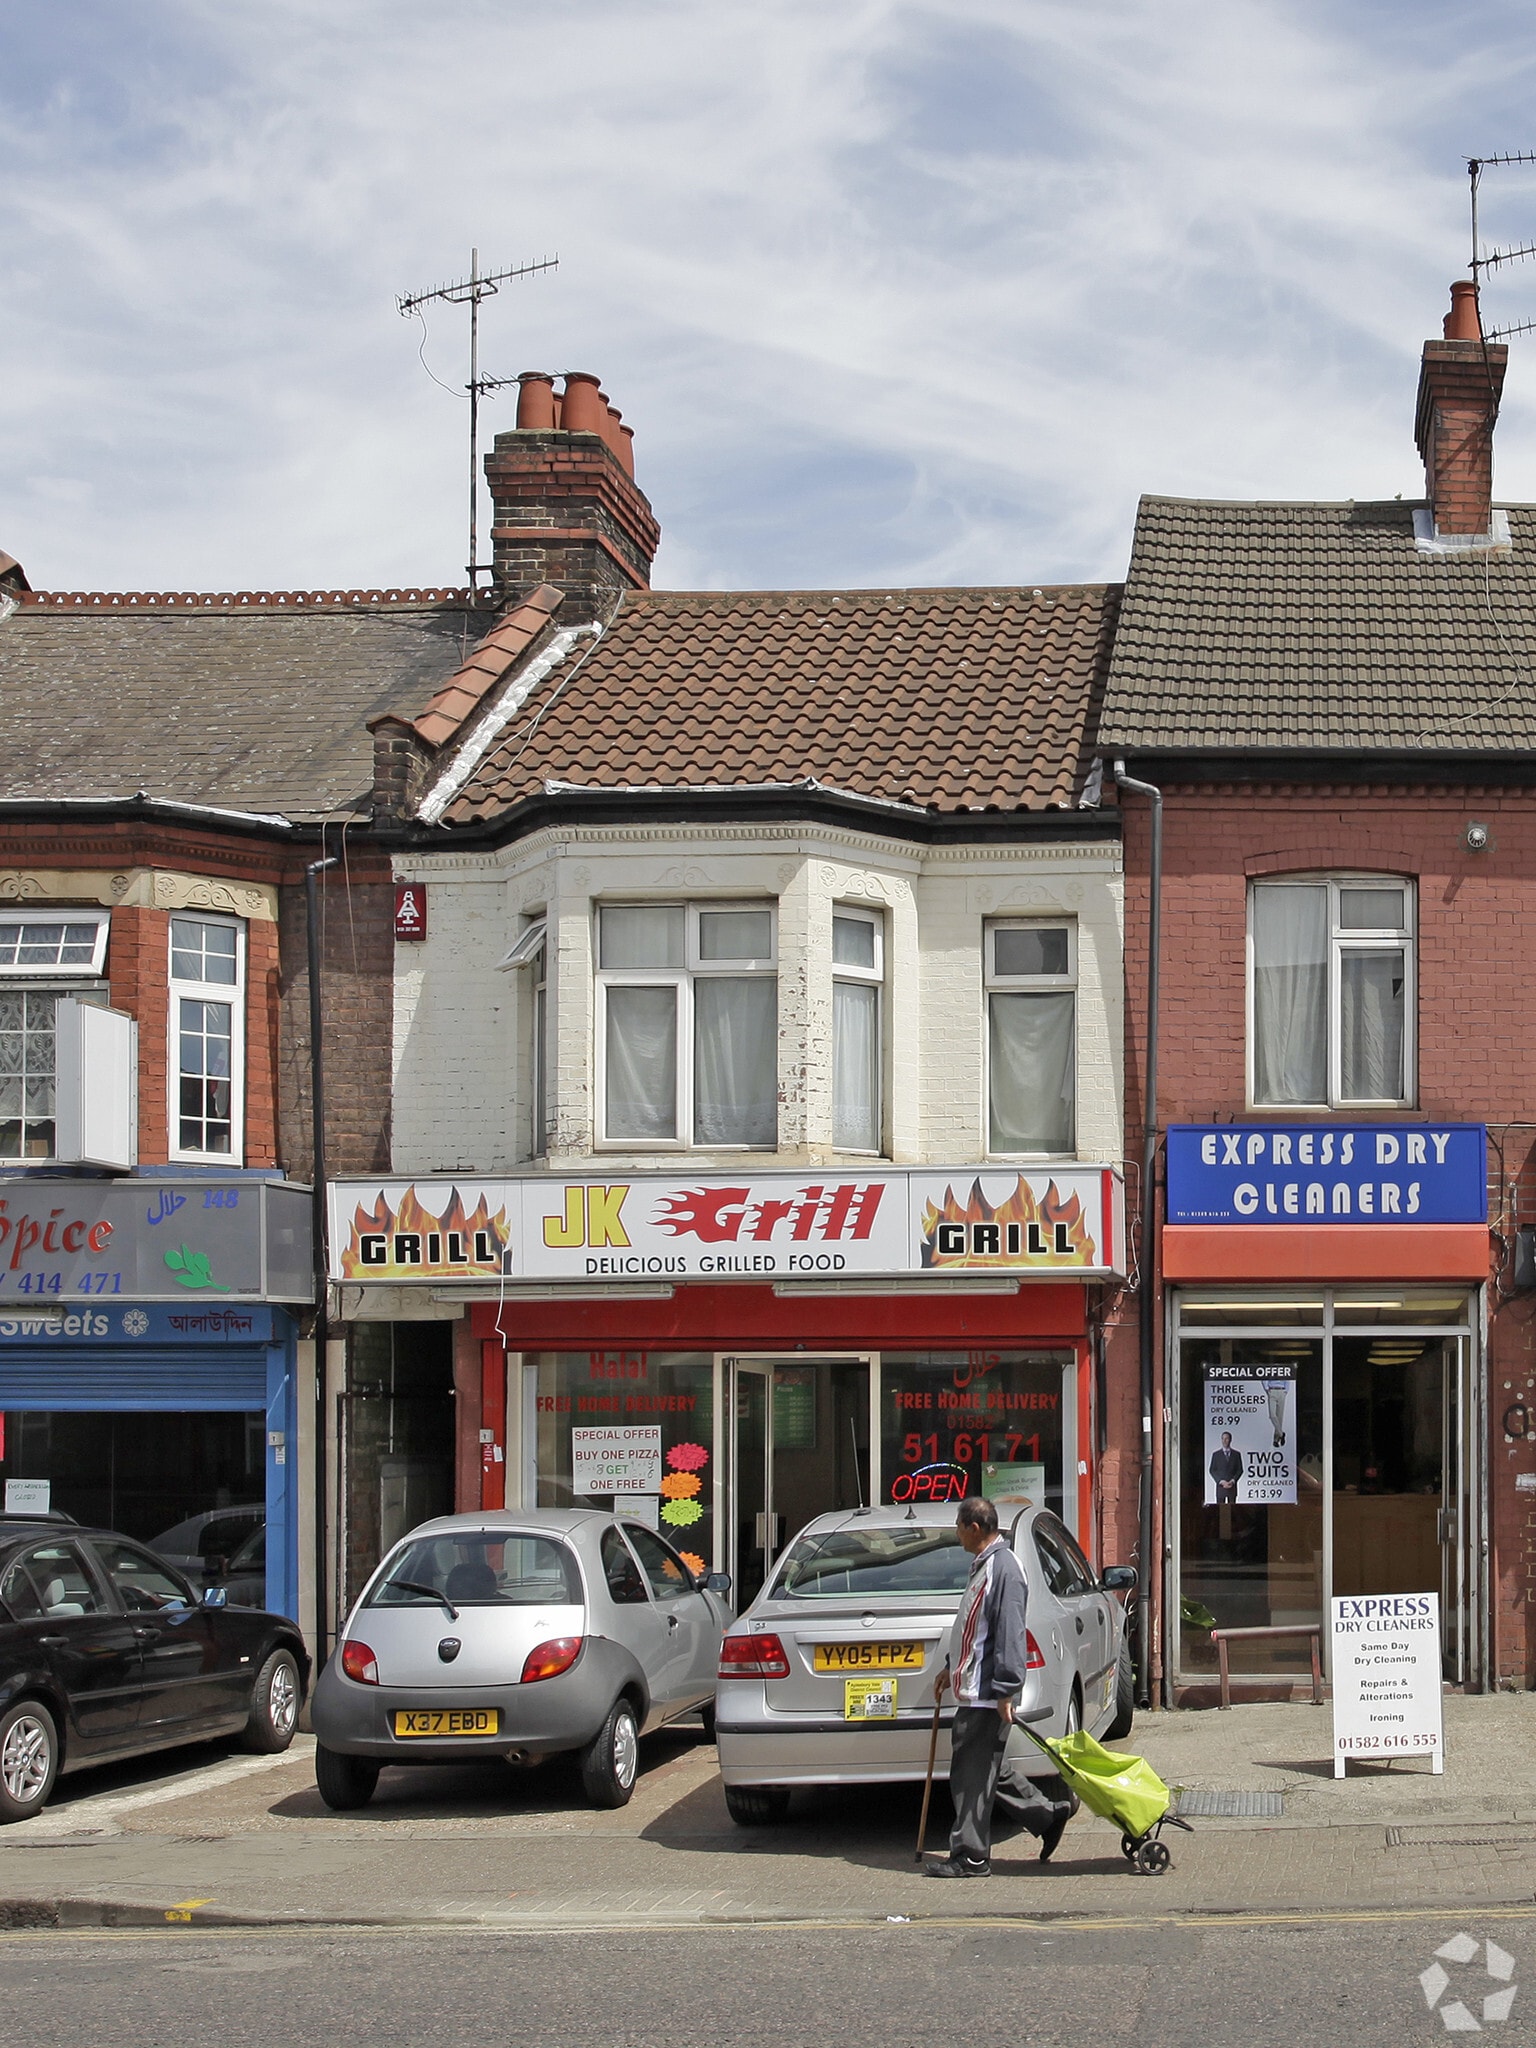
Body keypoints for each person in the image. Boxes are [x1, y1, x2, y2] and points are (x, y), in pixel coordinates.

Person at [925, 1496, 1074, 1879]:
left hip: (986, 1691)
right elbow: (974, 1628)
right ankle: (1046, 1816)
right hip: (975, 1686)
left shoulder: (1003, 1569)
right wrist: (949, 1667)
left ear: (974, 1527)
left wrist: (1007, 1689)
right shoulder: (985, 1565)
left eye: (959, 1526)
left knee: (970, 1776)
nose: (956, 1533)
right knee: (985, 1767)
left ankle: (971, 1856)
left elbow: (1009, 1632)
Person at [1209, 1431, 1243, 1506]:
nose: (1224, 1441)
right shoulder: (1216, 1455)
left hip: (1232, 1487)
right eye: (1223, 1439)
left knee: (1233, 1509)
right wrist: (1220, 1481)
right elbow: (1212, 1470)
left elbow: (1240, 1470)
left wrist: (1233, 1480)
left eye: (1226, 1438)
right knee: (1220, 1509)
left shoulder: (1236, 1454)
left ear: (1230, 1440)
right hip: (1221, 1488)